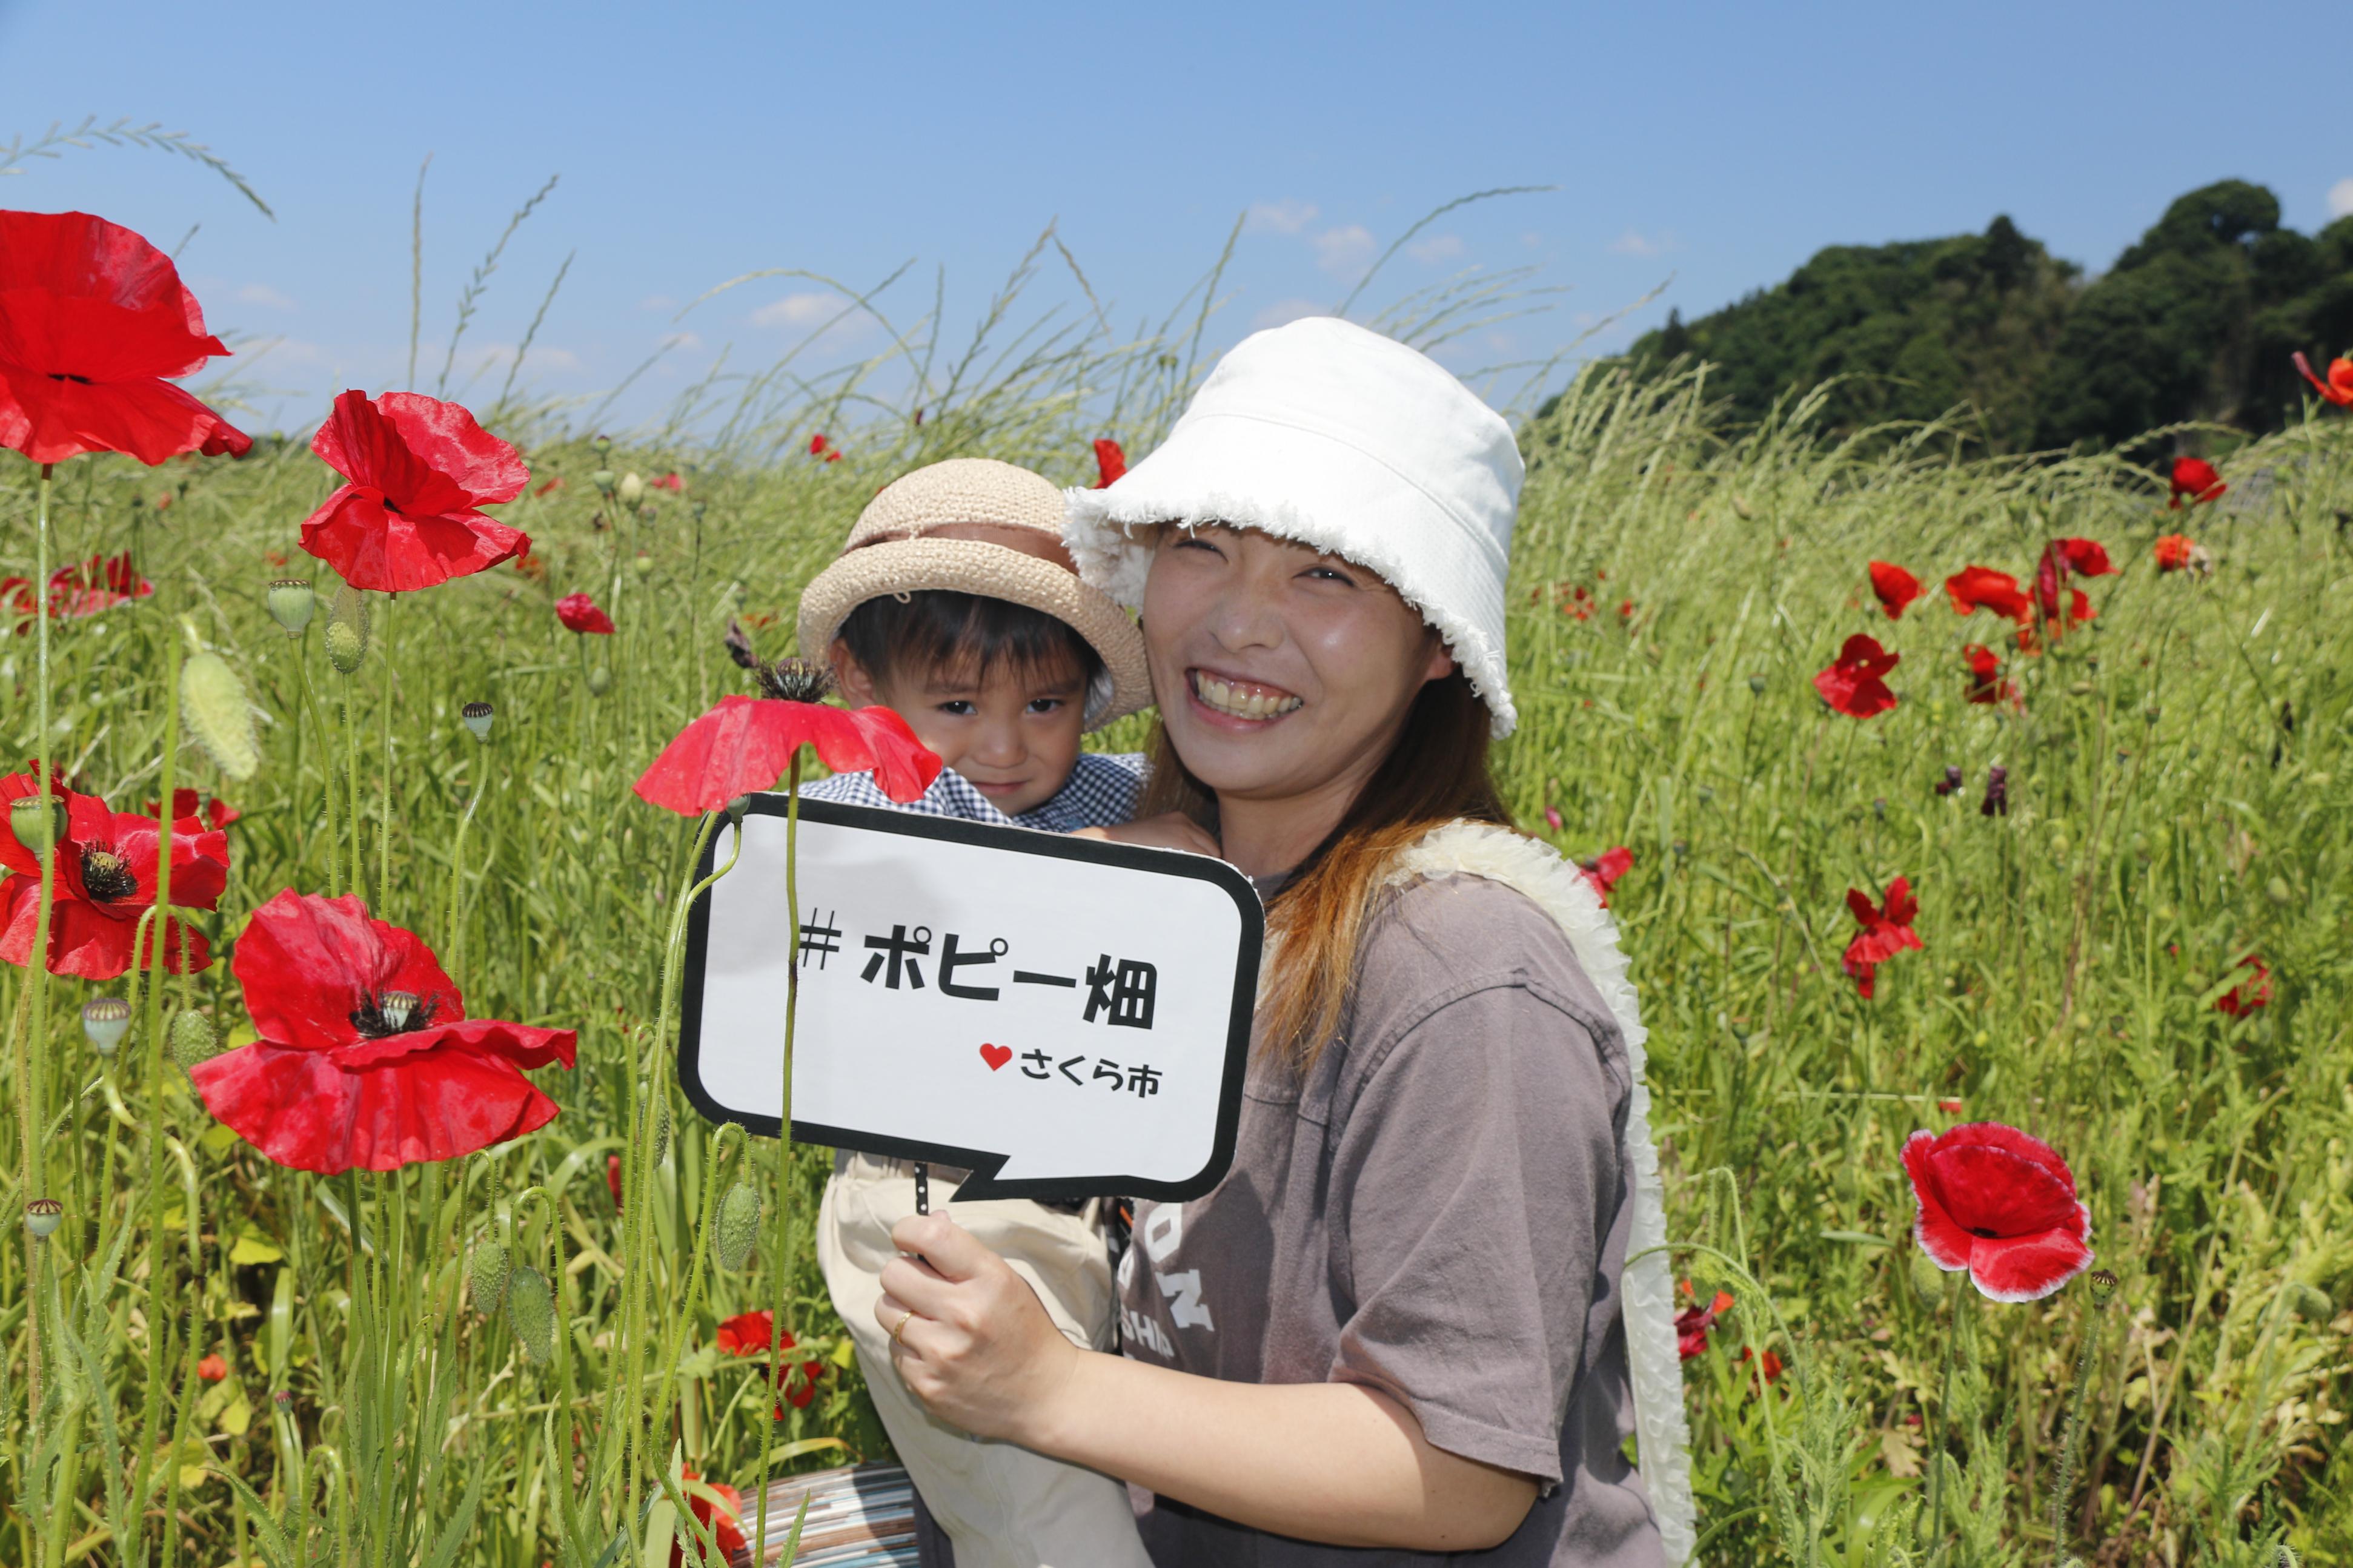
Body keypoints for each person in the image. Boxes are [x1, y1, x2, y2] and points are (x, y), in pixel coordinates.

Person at [866, 318, 1694, 1566]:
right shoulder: (1179, 886)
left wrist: (1048, 1391)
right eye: (1203, 545)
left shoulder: (1464, 975)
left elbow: (1461, 1473)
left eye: (1328, 575)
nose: (1241, 623)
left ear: (1435, 649)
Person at [794, 457, 1192, 1568]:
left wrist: (1148, 849)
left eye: (1048, 704)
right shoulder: (845, 807)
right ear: (865, 685)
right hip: (920, 1188)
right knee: (1034, 1496)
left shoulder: (1120, 799)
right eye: (958, 705)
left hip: (1098, 1169)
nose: (1008, 746)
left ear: (1093, 699)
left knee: (1112, 1447)